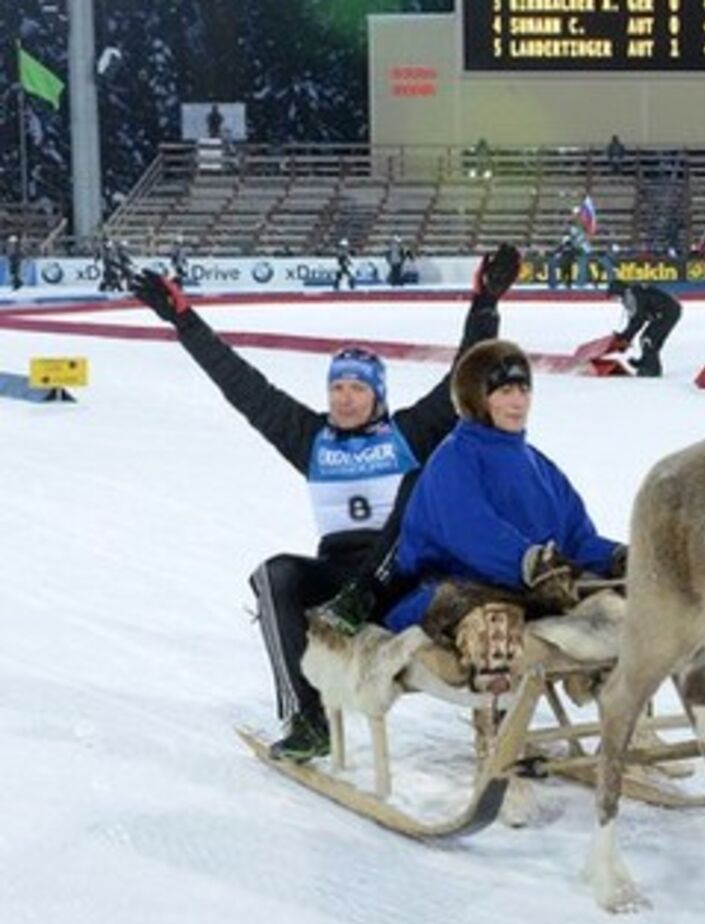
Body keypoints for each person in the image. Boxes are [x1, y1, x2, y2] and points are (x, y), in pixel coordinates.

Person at [129, 245, 521, 762]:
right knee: (275, 576)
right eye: (337, 386)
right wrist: (183, 320)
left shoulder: (409, 432)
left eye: (358, 387)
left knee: (419, 488)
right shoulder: (308, 438)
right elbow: (241, 384)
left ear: (377, 394)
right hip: (340, 590)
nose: (345, 397)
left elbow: (462, 376)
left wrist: (485, 303)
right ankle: (306, 719)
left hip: (403, 575)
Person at [380, 339, 625, 681]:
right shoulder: (454, 457)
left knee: (624, 611)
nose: (518, 402)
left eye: (524, 390)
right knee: (497, 624)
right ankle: (493, 726)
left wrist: (617, 556)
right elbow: (470, 530)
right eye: (505, 391)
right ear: (476, 397)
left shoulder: (540, 466)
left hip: (525, 591)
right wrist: (528, 562)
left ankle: (626, 723)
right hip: (443, 592)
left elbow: (576, 538)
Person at [606, 282, 684, 377]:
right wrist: (625, 336)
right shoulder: (631, 294)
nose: (616, 300)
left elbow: (638, 320)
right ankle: (646, 361)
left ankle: (652, 370)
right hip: (664, 311)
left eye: (615, 297)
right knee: (648, 338)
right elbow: (634, 319)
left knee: (648, 339)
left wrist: (626, 338)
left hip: (668, 311)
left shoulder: (632, 296)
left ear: (619, 291)